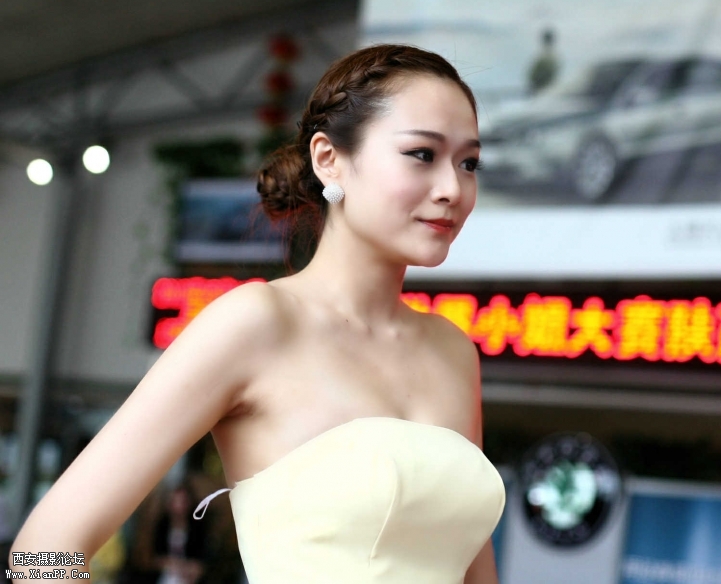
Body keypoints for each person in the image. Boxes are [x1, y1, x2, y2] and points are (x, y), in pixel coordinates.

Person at [9, 43, 505, 583]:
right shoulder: (256, 323)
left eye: (469, 163)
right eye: (422, 154)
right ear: (328, 158)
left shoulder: (453, 351)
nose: (453, 189)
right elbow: (41, 553)